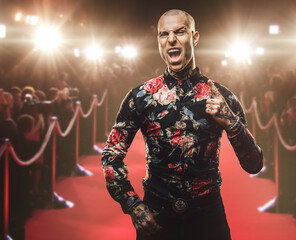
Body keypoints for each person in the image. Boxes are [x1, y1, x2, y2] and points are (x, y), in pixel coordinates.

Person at [101, 9, 263, 240]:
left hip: (208, 217)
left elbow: (254, 165)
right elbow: (111, 156)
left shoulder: (221, 96)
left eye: (179, 32)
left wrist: (231, 122)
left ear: (194, 37)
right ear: (159, 41)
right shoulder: (141, 96)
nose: (171, 40)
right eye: (164, 34)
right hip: (157, 217)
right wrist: (133, 205)